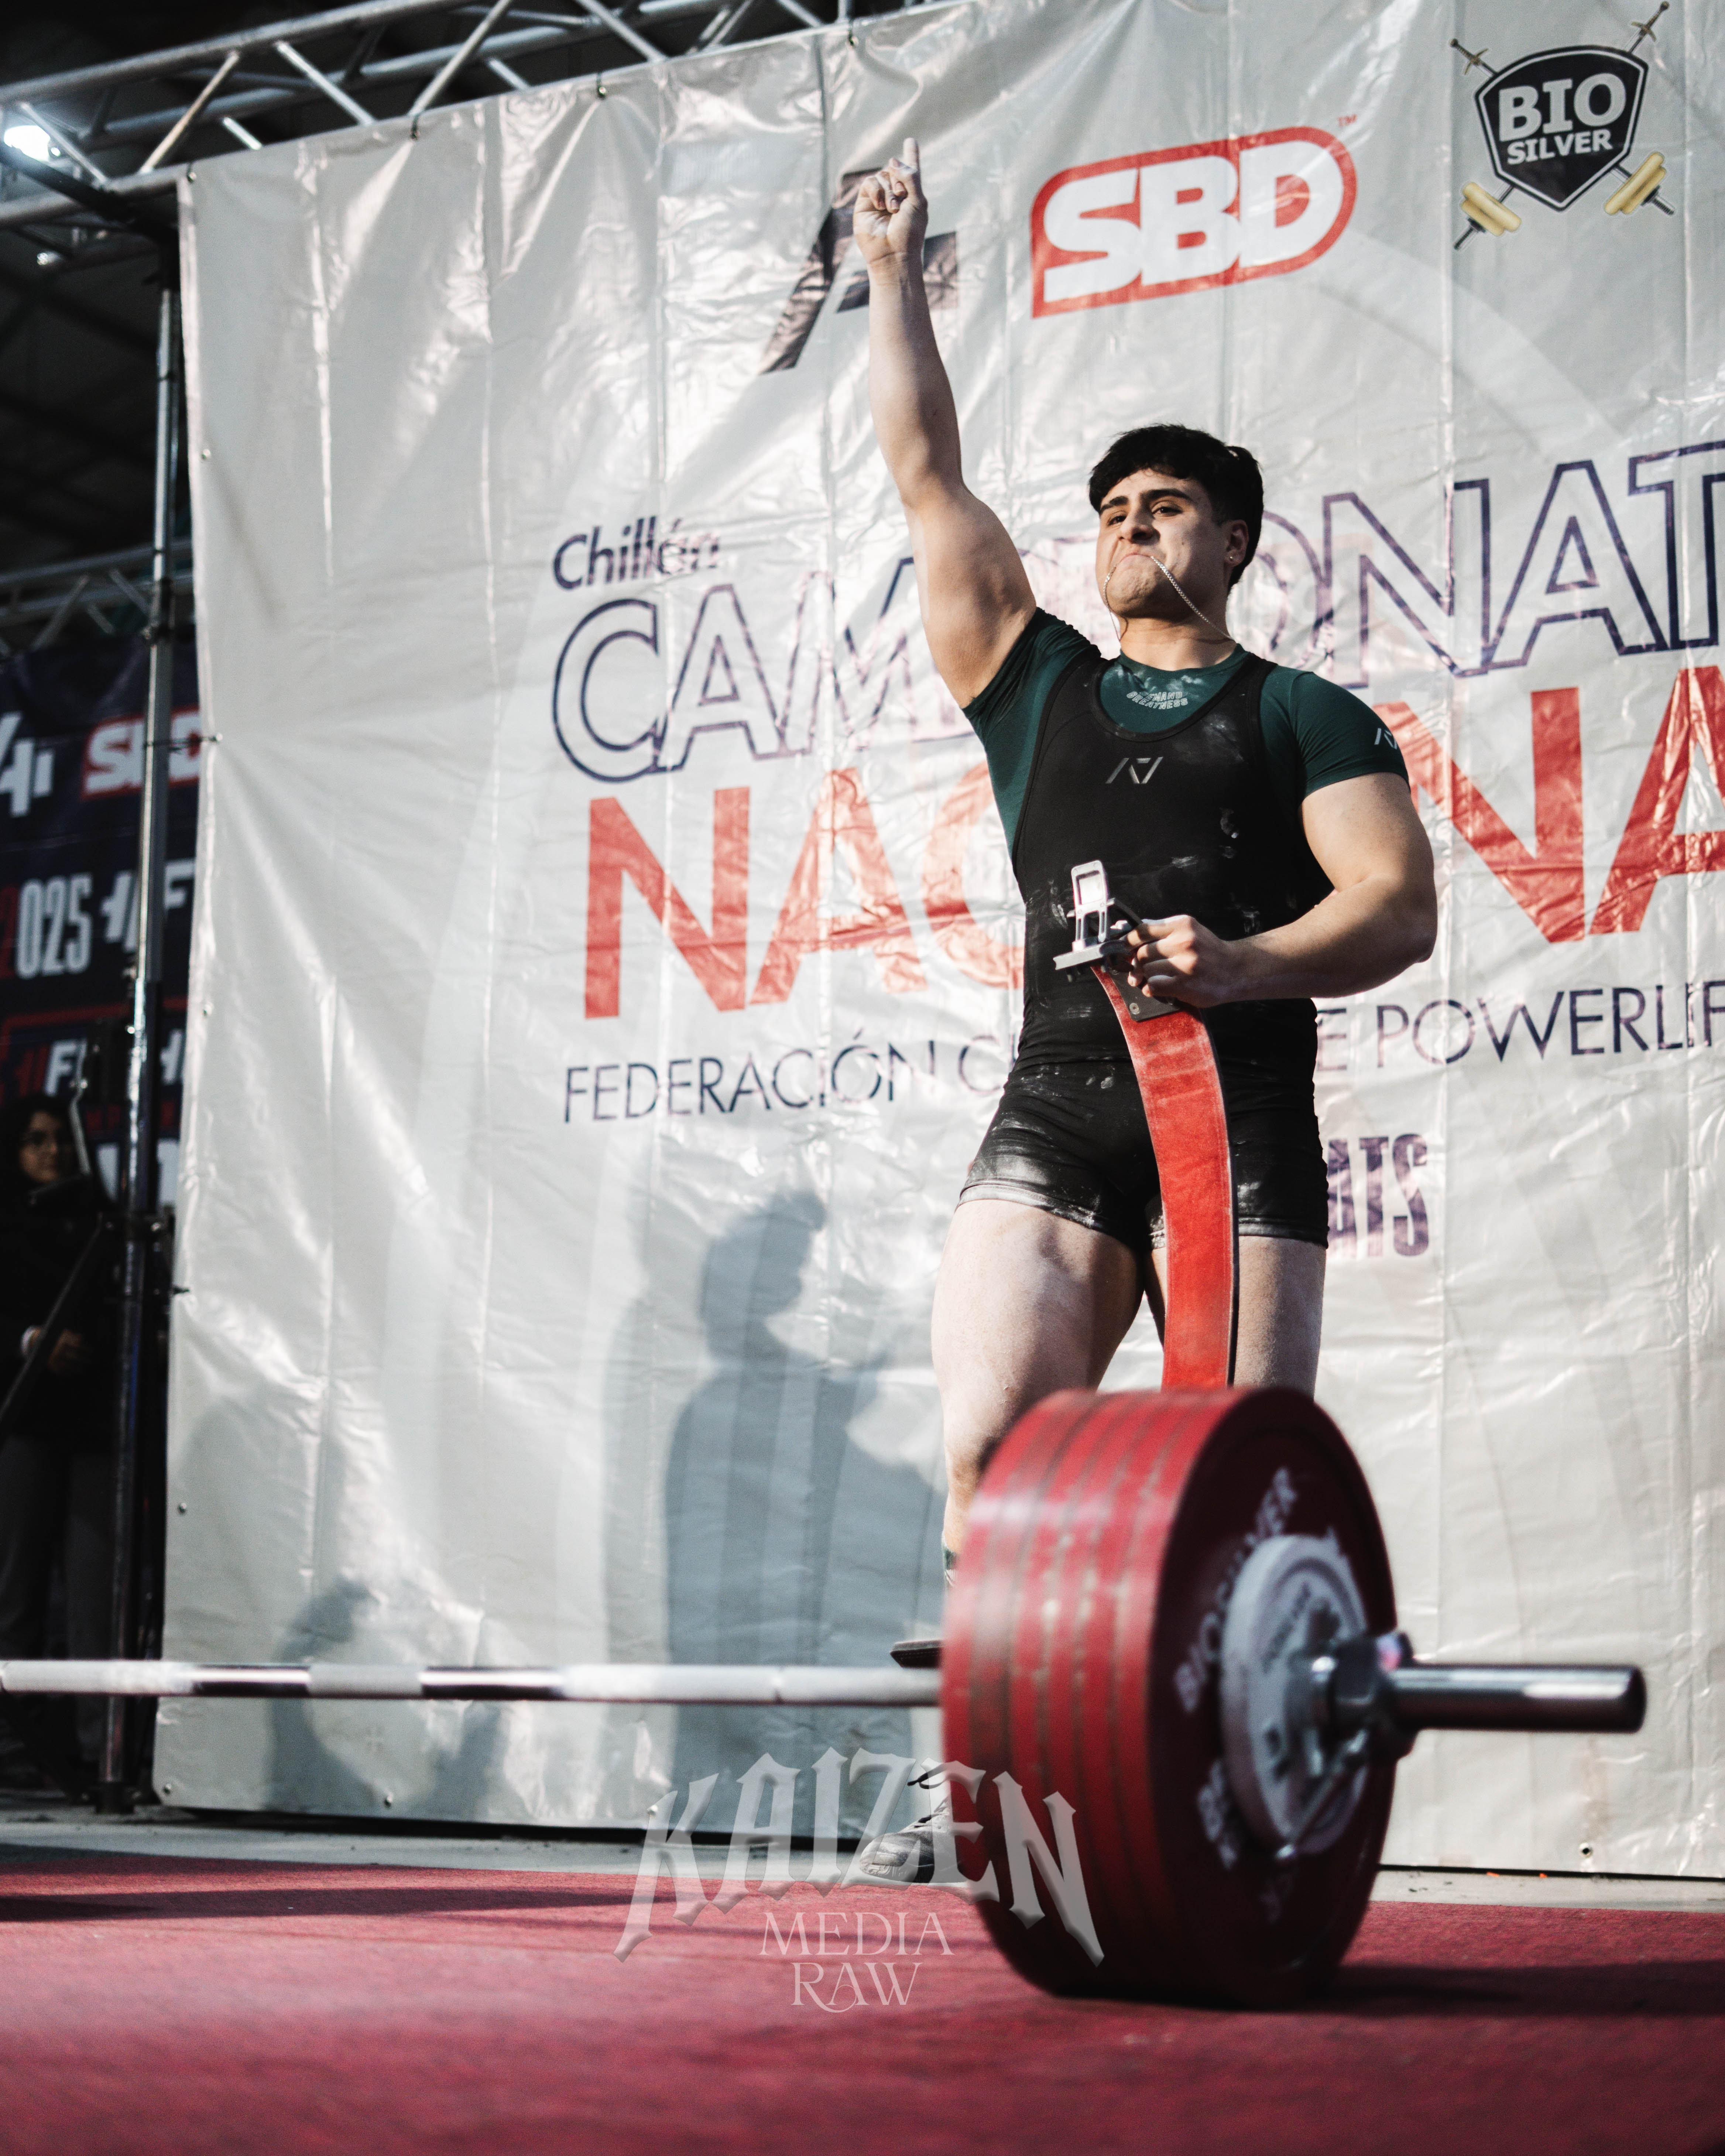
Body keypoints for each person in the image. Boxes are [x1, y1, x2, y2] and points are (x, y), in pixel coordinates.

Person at [854, 140, 1437, 1576]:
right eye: (1113, 510)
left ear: (1232, 540)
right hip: (1056, 1110)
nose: (1130, 524)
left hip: (1235, 1121)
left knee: (1226, 1496)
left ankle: (1210, 1786)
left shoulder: (1301, 708)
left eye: (1165, 505)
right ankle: (988, 1780)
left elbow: (1395, 908)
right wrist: (886, 277)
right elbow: (927, 475)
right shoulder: (1032, 678)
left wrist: (1244, 963)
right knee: (991, 1448)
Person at [0, 1092, 113, 1794]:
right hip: (23, 1422)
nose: (53, 1155)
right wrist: (31, 1343)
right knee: (16, 1597)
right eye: (37, 1141)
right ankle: (13, 1751)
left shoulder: (101, 1226)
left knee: (96, 1601)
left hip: (97, 1426)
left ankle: (96, 1751)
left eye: (62, 1141)